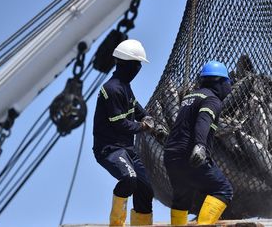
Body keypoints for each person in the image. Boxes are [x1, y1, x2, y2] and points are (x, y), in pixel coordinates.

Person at [92, 39, 155, 226]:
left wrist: (149, 119)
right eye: (137, 64)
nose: (138, 69)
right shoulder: (111, 89)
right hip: (110, 150)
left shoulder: (125, 87)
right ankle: (116, 223)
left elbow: (136, 108)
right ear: (127, 64)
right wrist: (144, 127)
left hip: (128, 149)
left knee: (145, 187)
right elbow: (120, 125)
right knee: (129, 179)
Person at [163, 60, 234, 225]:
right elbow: (204, 120)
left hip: (171, 156)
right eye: (227, 82)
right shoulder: (212, 99)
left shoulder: (190, 97)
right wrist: (200, 145)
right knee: (223, 190)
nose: (229, 87)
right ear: (220, 82)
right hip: (191, 155)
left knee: (182, 196)